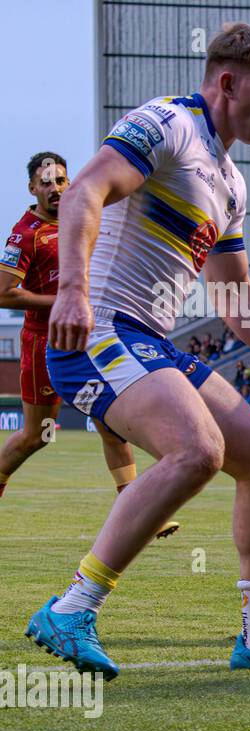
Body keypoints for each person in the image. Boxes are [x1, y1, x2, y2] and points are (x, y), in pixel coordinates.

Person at [29, 23, 250, 677]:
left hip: (149, 341)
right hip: (99, 332)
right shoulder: (166, 123)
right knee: (198, 449)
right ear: (228, 82)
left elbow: (234, 300)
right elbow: (86, 188)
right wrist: (71, 291)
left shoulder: (230, 183)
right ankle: (72, 607)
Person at [0, 152, 180, 540]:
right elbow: (4, 294)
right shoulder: (25, 234)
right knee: (38, 436)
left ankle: (142, 515)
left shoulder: (84, 217)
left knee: (112, 426)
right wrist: (66, 300)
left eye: (61, 180)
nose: (55, 189)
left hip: (91, 338)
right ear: (32, 188)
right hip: (44, 342)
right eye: (46, 183)